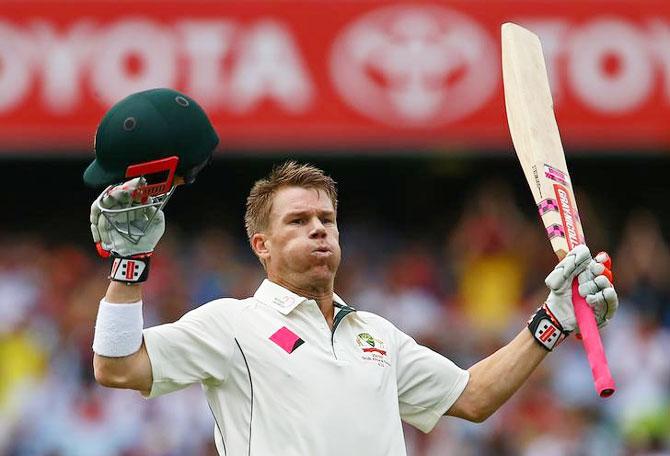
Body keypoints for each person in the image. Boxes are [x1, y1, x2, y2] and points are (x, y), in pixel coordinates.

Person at [87, 96, 618, 456]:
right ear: (261, 246)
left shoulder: (377, 335)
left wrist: (553, 320)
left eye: (327, 219)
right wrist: (130, 265)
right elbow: (117, 366)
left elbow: (472, 397)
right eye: (298, 221)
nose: (319, 230)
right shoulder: (230, 325)